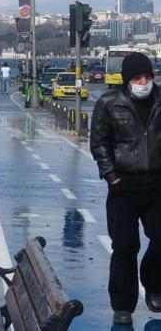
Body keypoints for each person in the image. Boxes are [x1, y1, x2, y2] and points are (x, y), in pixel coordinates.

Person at [90, 52, 161, 326]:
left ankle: (153, 283)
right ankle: (122, 304)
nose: (144, 82)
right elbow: (99, 143)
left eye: (148, 77)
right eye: (138, 78)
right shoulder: (109, 103)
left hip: (157, 185)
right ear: (127, 80)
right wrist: (112, 176)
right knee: (124, 247)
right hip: (124, 186)